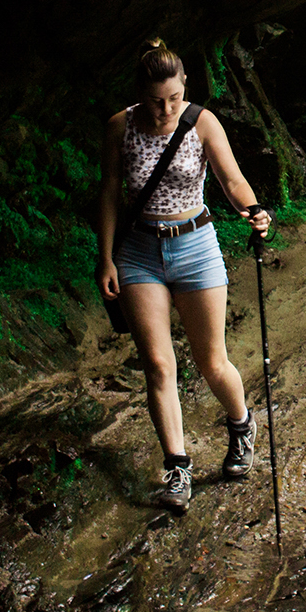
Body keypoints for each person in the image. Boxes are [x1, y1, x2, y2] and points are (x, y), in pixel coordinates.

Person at [97, 39, 272, 513]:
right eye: (157, 100)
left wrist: (252, 208)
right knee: (158, 366)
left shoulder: (202, 122)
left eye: (174, 97)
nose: (167, 108)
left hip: (195, 246)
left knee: (212, 361)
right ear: (140, 94)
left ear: (184, 88)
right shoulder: (120, 127)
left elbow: (230, 178)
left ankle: (240, 425)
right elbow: (110, 191)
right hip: (139, 253)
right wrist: (106, 257)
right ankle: (177, 469)